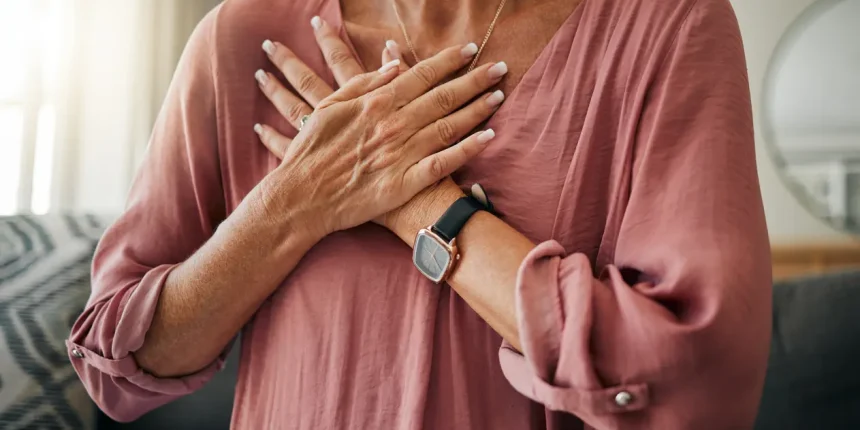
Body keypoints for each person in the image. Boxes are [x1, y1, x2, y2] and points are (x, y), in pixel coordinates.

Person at [67, 0, 773, 428]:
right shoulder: (242, 37)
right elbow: (116, 367)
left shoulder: (669, 28)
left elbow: (698, 386)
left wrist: (424, 206)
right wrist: (293, 201)